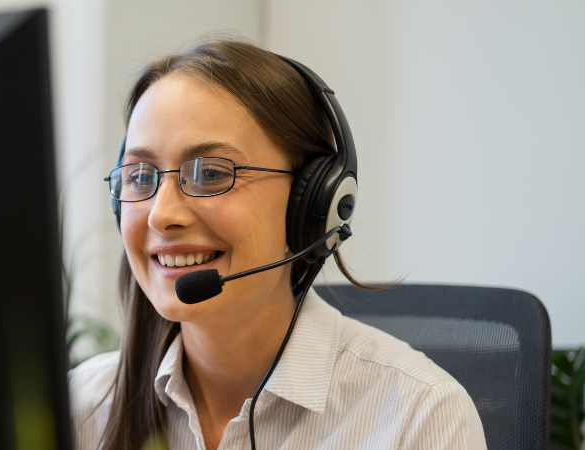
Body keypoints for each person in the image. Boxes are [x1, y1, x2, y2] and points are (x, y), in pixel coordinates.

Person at [68, 39, 486, 450]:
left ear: (312, 204)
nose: (162, 215)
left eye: (212, 174)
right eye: (140, 176)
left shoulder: (418, 416)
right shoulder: (81, 407)